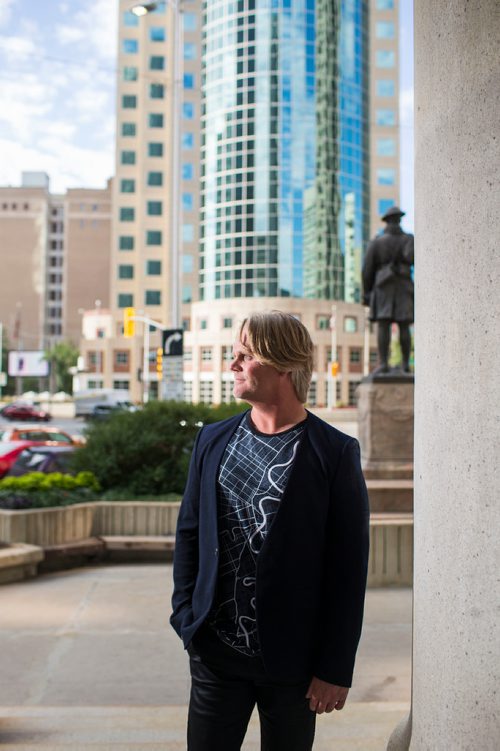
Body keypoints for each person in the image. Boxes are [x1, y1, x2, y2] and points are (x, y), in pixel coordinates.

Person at [171, 311, 370, 751]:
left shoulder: (334, 453)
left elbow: (347, 570)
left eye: (245, 355)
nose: (233, 365)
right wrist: (186, 616)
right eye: (234, 354)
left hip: (293, 663)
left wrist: (335, 668)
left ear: (282, 364)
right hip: (215, 654)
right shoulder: (212, 440)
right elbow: (190, 533)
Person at [362, 206, 414, 374]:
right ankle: (405, 364)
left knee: (383, 325)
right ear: (399, 220)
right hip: (404, 286)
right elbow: (411, 258)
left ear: (386, 221)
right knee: (404, 326)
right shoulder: (408, 239)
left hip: (383, 287)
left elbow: (367, 270)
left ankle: (384, 363)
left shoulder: (377, 242)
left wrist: (367, 292)